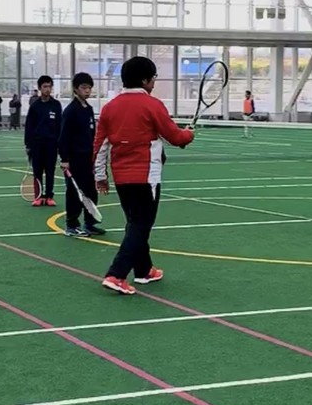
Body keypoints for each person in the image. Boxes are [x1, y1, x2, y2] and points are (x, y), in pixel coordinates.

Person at [93, 56, 194, 294]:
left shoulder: (110, 107)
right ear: (145, 80)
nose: (154, 82)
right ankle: (116, 274)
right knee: (141, 225)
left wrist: (100, 176)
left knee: (135, 223)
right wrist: (188, 134)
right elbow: (175, 137)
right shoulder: (152, 105)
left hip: (121, 177)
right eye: (154, 78)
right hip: (146, 176)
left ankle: (144, 270)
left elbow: (100, 145)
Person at [59, 72, 103, 236]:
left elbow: (92, 135)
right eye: (84, 87)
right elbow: (63, 136)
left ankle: (90, 223)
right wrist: (64, 159)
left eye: (89, 88)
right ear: (76, 89)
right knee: (74, 193)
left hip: (88, 158)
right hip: (74, 159)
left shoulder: (89, 109)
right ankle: (71, 225)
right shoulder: (70, 111)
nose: (87, 91)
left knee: (91, 191)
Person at [24, 75, 62, 207]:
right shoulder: (35, 106)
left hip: (52, 144)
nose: (48, 89)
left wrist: (60, 143)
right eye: (45, 86)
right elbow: (29, 126)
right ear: (40, 88)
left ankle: (49, 196)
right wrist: (28, 144)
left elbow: (60, 125)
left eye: (50, 86)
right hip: (37, 144)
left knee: (50, 171)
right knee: (37, 172)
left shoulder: (56, 105)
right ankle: (38, 197)